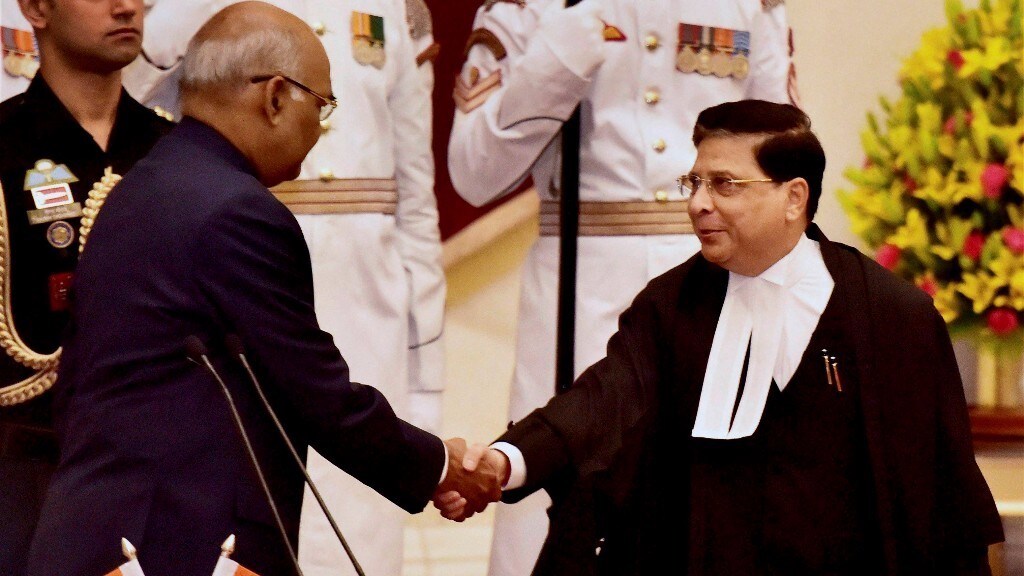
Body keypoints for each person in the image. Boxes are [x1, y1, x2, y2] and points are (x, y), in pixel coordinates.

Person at [25, 4, 501, 575]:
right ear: (274, 98)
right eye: (320, 106)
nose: (319, 130)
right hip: (176, 545)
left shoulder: (142, 185)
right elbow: (318, 394)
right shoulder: (239, 213)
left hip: (101, 534)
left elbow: (76, 389)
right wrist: (440, 467)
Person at [438, 100, 1005, 575]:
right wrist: (503, 462)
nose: (698, 203)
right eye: (695, 182)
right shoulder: (671, 305)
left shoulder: (891, 317)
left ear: (794, 198)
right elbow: (600, 403)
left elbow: (943, 501)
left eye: (724, 184)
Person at [446, 1, 798, 573]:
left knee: (715, 504)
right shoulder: (534, 8)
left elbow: (784, 164)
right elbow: (472, 172)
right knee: (555, 489)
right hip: (580, 293)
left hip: (714, 283)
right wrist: (557, 62)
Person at [122, 1, 445, 573]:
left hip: (367, 303)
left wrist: (427, 371)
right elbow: (131, 98)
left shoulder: (396, 9)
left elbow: (416, 198)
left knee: (362, 532)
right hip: (229, 300)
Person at [0, 0, 173, 573]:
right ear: (36, 8)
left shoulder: (175, 150)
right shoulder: (4, 148)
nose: (126, 7)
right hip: (25, 479)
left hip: (162, 482)